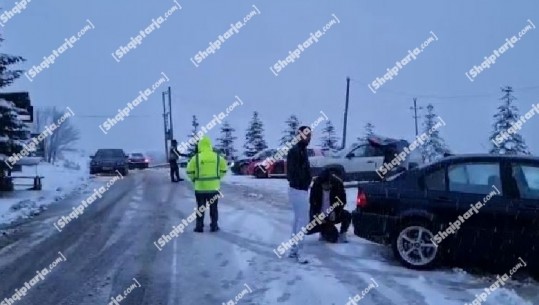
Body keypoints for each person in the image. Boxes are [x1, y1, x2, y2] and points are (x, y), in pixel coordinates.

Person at [186, 136, 228, 233]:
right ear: (210, 145)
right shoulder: (217, 157)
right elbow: (224, 169)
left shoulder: (195, 158)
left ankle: (199, 227)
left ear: (200, 145)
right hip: (214, 188)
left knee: (200, 208)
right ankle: (214, 226)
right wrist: (217, 177)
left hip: (200, 188)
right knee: (214, 207)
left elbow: (189, 171)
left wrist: (194, 179)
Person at [286, 126, 312, 263]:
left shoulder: (302, 150)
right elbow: (292, 173)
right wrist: (303, 181)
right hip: (298, 189)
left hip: (300, 189)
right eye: (306, 135)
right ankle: (298, 252)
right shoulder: (295, 151)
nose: (308, 138)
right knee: (303, 221)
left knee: (298, 221)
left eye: (309, 135)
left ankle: (294, 250)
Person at [308, 168, 350, 243]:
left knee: (347, 215)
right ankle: (323, 231)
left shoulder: (337, 184)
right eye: (325, 184)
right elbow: (313, 203)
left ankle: (342, 233)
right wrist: (317, 215)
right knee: (307, 229)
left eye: (328, 184)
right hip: (320, 216)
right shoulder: (316, 186)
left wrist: (336, 212)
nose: (327, 186)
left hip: (332, 214)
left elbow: (342, 201)